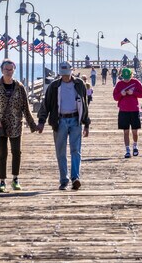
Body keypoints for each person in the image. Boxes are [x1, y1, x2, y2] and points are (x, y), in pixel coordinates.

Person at [0, 58, 37, 193]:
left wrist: (33, 125)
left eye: (11, 69)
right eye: (6, 69)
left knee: (16, 152)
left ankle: (15, 179)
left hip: (16, 124)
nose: (8, 72)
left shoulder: (19, 87)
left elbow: (26, 107)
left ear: (14, 70)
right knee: (2, 153)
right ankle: (2, 181)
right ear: (1, 70)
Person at [37, 61, 90, 190]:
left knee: (75, 150)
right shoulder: (54, 86)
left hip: (75, 120)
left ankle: (75, 178)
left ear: (71, 71)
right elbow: (46, 104)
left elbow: (84, 104)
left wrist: (86, 123)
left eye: (67, 74)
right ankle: (63, 180)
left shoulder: (79, 84)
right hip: (59, 121)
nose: (65, 77)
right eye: (63, 74)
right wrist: (41, 121)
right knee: (61, 152)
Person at [113, 67, 142, 158]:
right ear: (122, 76)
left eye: (128, 77)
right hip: (123, 110)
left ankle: (135, 145)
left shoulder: (136, 82)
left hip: (134, 109)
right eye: (125, 78)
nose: (126, 80)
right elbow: (115, 97)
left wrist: (133, 92)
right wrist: (121, 94)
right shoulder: (119, 84)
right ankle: (127, 149)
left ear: (131, 75)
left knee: (135, 130)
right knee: (126, 131)